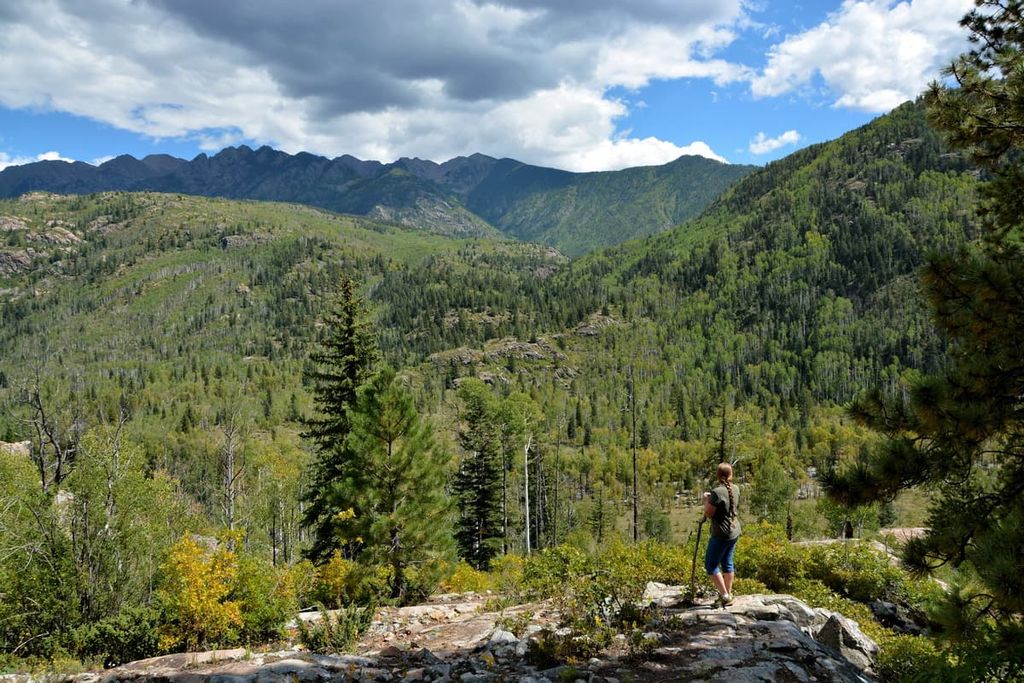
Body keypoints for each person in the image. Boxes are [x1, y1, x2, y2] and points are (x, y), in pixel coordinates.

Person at [703, 462, 741, 607]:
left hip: (721, 533)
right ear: (731, 474)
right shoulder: (736, 488)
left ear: (718, 475)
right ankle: (728, 595)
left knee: (711, 565)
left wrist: (706, 500)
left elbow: (709, 513)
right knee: (727, 562)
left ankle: (724, 595)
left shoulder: (717, 492)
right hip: (734, 531)